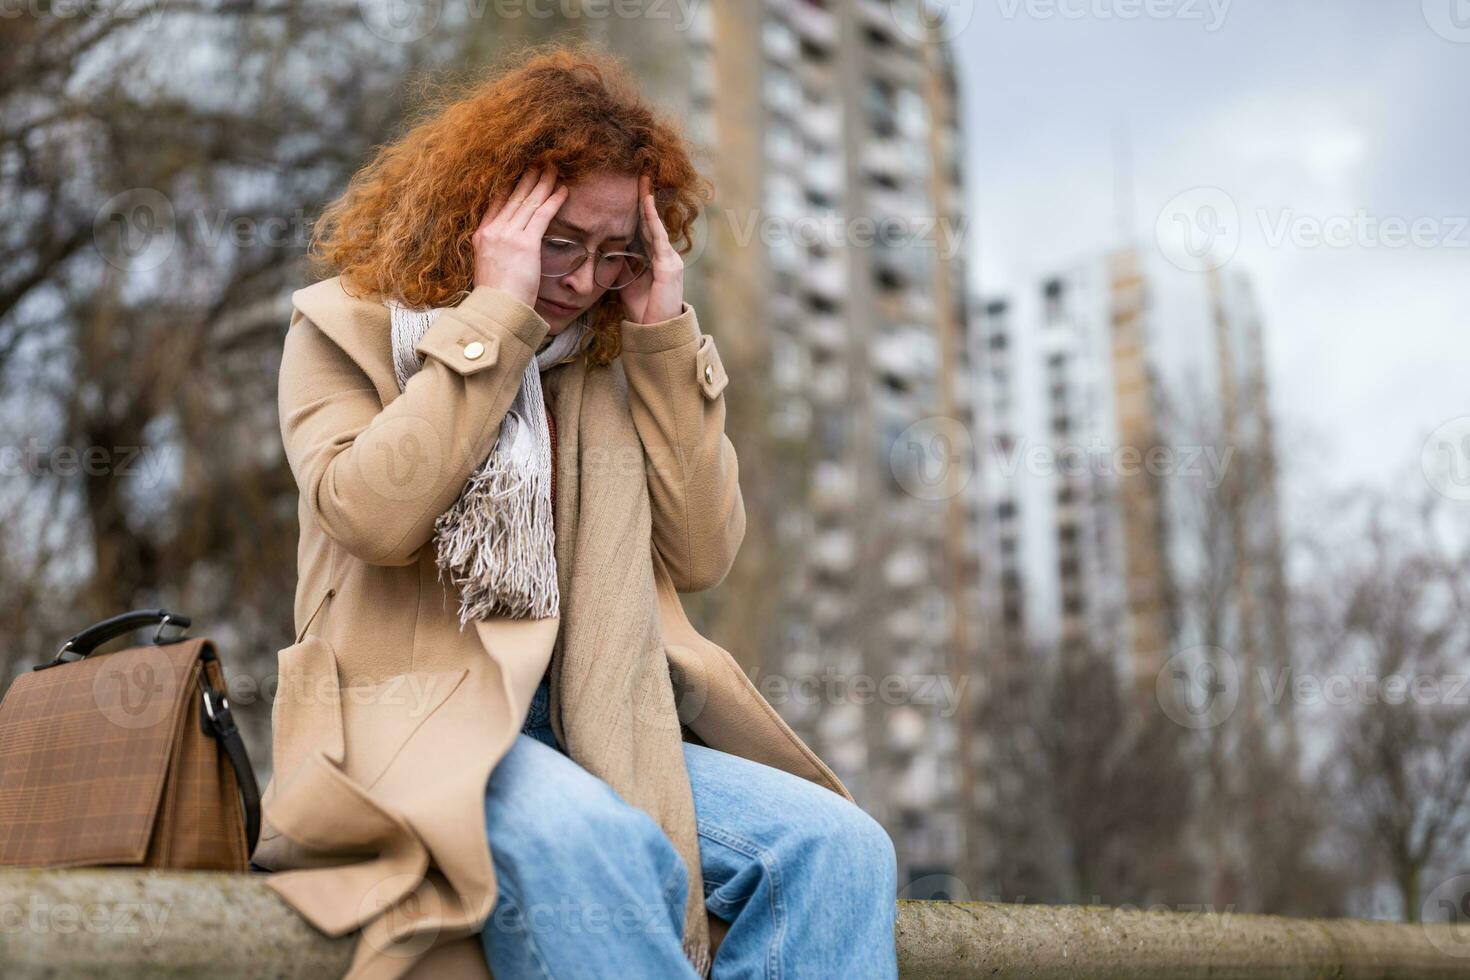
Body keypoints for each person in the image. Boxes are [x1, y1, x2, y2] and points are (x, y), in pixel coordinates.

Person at [255, 45, 899, 980]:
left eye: (615, 252)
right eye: (561, 241)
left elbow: (705, 551)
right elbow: (372, 518)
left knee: (840, 848)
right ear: (486, 214)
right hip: (410, 723)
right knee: (587, 843)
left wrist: (664, 342)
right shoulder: (343, 328)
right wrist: (495, 322)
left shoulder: (610, 362)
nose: (585, 278)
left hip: (606, 724)